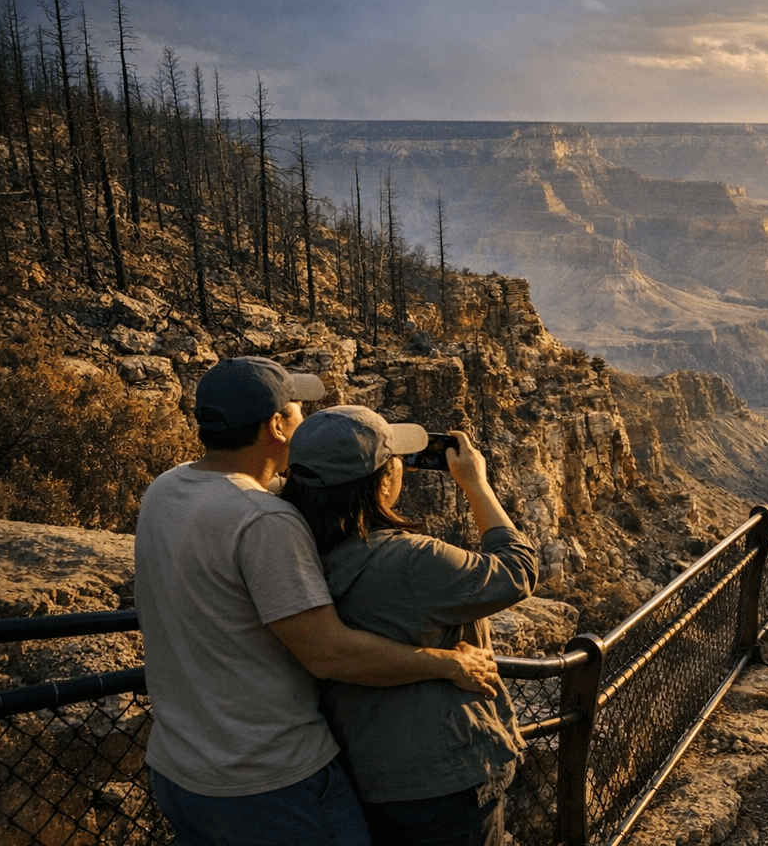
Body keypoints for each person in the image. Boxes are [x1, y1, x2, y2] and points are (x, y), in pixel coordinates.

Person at [135, 357, 499, 846]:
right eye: (298, 409)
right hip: (270, 781)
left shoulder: (166, 488)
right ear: (277, 426)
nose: (304, 419)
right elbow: (329, 653)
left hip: (180, 769)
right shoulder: (263, 519)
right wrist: (448, 665)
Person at [281, 407, 538, 846]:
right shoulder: (412, 561)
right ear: (383, 480)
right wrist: (476, 483)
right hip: (446, 777)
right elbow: (517, 571)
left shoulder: (286, 545)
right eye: (395, 458)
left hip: (359, 771)